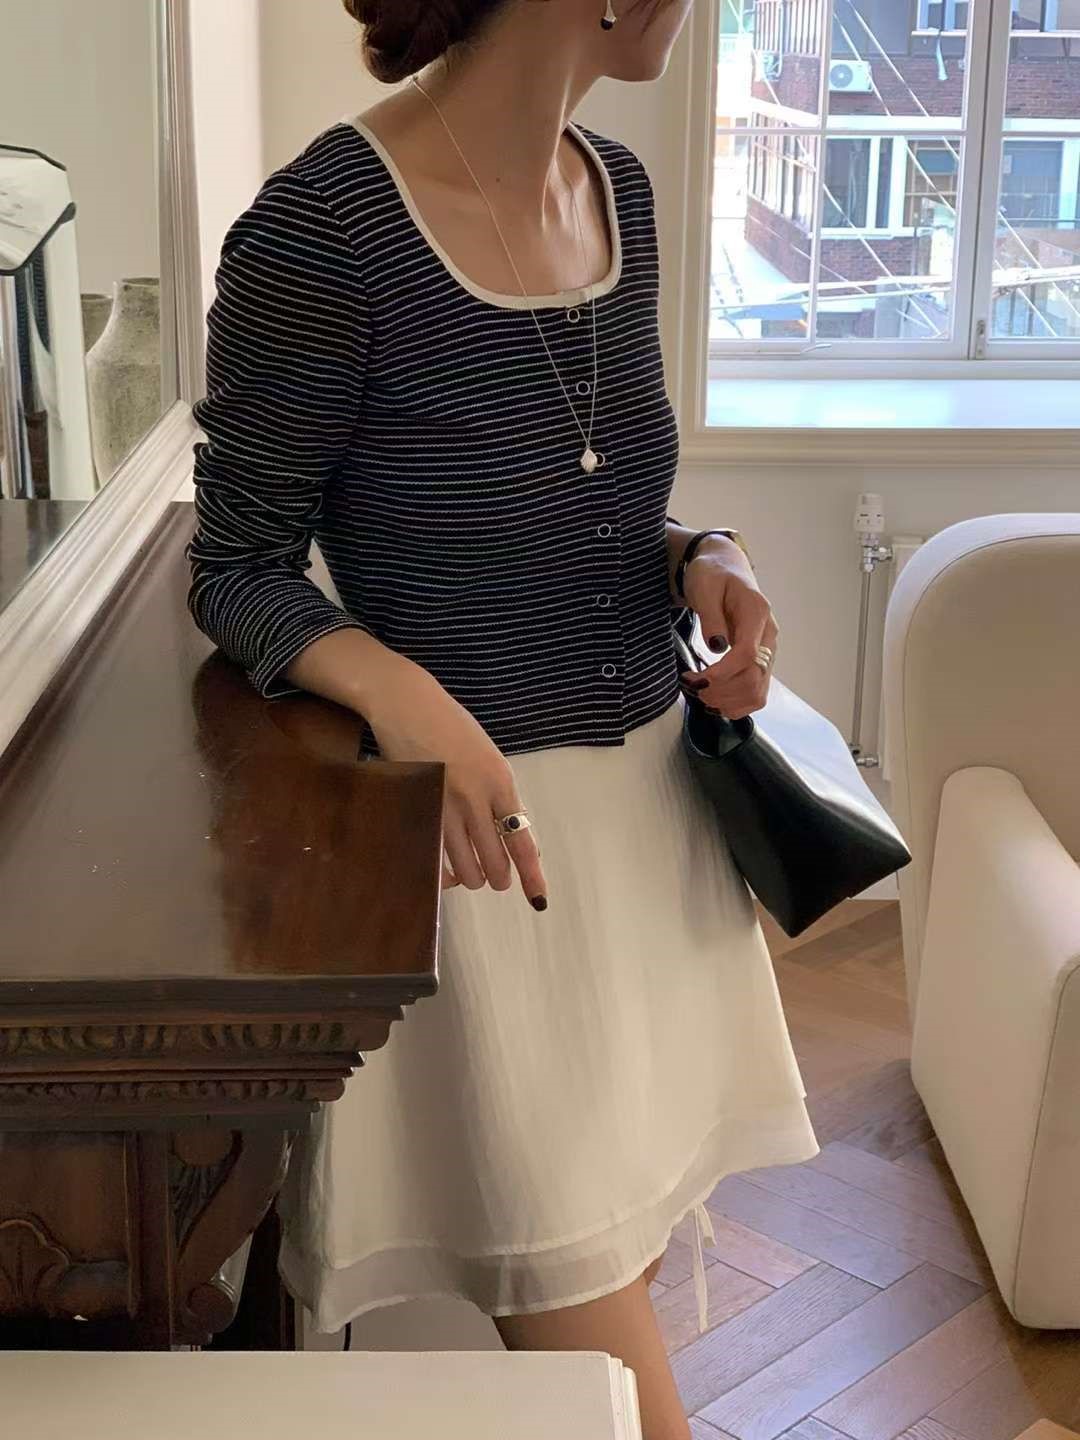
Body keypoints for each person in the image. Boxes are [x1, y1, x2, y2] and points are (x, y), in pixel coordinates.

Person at [187, 2, 818, 1434]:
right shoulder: (323, 230)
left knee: (619, 1274)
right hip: (495, 871)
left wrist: (699, 555)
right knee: (593, 1324)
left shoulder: (621, 192)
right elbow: (235, 567)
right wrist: (404, 694)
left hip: (653, 831)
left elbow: (586, 496)